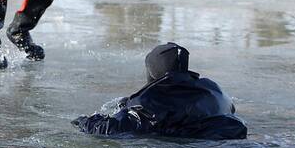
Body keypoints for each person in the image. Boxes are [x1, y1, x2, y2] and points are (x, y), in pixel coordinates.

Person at [73, 43, 248, 140]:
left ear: (152, 70)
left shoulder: (152, 100)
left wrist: (84, 121)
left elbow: (112, 130)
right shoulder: (211, 88)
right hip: (228, 139)